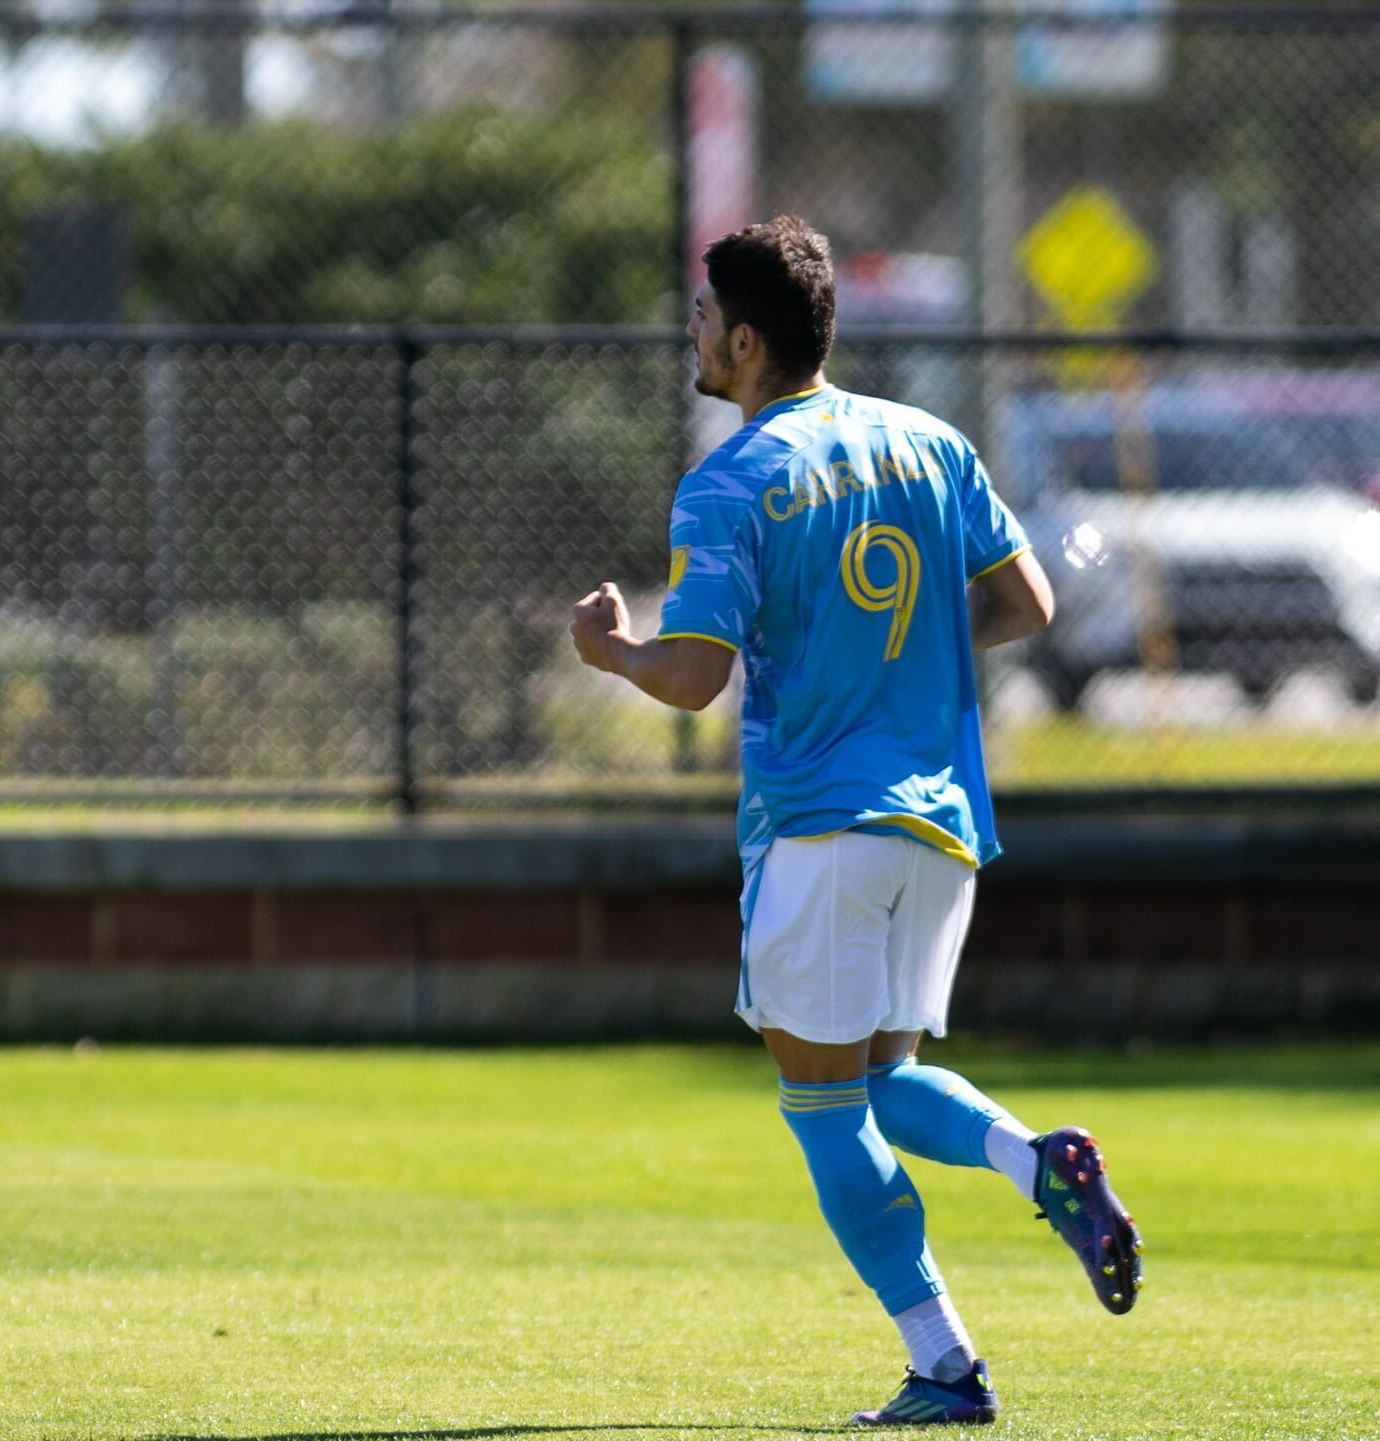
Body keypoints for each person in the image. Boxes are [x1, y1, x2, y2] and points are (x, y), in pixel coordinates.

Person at [568, 215, 1142, 1427]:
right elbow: (1025, 601)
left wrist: (612, 652)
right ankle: (1035, 1167)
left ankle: (944, 1362)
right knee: (881, 1082)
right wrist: (904, 656)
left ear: (740, 339)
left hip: (822, 824)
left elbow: (693, 677)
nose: (687, 332)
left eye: (697, 317)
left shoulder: (730, 478)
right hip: (939, 826)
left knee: (820, 1105)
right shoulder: (928, 440)